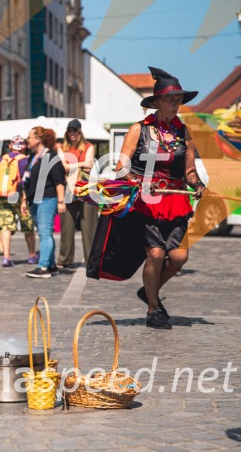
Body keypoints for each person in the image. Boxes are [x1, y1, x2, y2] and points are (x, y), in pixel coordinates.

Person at [116, 67, 204, 329]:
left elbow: (189, 170)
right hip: (147, 201)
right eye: (170, 99)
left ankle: (149, 291)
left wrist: (197, 184)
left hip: (176, 200)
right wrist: (139, 182)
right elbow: (121, 168)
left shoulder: (183, 132)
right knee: (154, 254)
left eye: (179, 99)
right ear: (155, 103)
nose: (176, 103)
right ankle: (153, 309)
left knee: (178, 257)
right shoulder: (138, 130)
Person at [23, 127, 67, 278]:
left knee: (45, 232)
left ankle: (43, 268)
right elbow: (28, 181)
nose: (27, 140)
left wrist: (61, 201)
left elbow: (59, 181)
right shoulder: (33, 158)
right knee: (44, 233)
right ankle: (51, 265)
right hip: (34, 199)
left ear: (38, 140)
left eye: (29, 137)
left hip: (48, 198)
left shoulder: (51, 157)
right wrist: (24, 200)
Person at [57, 119, 98, 268]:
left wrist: (73, 165)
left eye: (75, 130)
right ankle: (65, 258)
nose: (72, 133)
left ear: (80, 132)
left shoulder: (88, 146)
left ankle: (91, 260)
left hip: (87, 190)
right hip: (69, 189)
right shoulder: (61, 147)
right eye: (70, 130)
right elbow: (64, 167)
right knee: (66, 226)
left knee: (89, 228)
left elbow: (90, 165)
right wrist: (80, 165)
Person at [0, 135, 37, 267]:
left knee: (6, 226)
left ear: (10, 146)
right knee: (27, 226)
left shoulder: (3, 159)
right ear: (24, 146)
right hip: (19, 196)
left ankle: (6, 257)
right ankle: (31, 255)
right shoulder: (25, 160)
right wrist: (25, 199)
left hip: (3, 195)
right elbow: (26, 182)